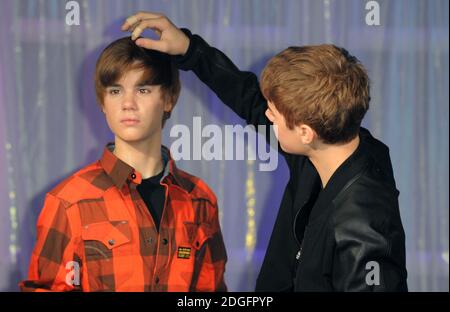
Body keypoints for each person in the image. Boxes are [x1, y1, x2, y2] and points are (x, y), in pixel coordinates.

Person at [120, 11, 408, 291]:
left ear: (306, 132)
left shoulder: (364, 226)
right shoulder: (330, 139)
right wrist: (188, 49)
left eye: (274, 114)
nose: (266, 116)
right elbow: (249, 100)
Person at [19, 36, 227, 292]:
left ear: (169, 99)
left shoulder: (200, 200)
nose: (128, 104)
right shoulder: (67, 201)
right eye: (115, 91)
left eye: (143, 89)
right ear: (103, 103)